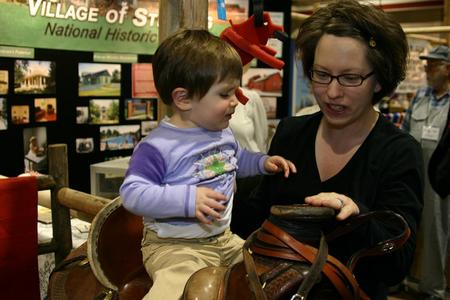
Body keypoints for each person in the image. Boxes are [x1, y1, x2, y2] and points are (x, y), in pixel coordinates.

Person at [232, 1, 424, 299]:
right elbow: (258, 218)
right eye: (321, 74)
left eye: (350, 78)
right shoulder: (291, 133)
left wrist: (355, 217)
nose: (332, 93)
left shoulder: (398, 152)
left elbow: (397, 265)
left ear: (379, 80)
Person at [119, 29, 296, 300]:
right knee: (177, 285)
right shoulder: (158, 146)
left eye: (235, 91)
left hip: (223, 238)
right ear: (184, 98)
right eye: (225, 94)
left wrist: (262, 162)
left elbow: (235, 160)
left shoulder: (222, 133)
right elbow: (133, 193)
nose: (236, 101)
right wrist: (187, 200)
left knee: (266, 273)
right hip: (174, 246)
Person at [401, 45, 450, 300]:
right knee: (406, 224)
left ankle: (434, 289)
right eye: (426, 64)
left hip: (439, 176)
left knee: (435, 231)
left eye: (433, 65)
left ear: (448, 68)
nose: (427, 69)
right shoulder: (420, 96)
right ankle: (404, 277)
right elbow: (406, 130)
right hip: (414, 171)